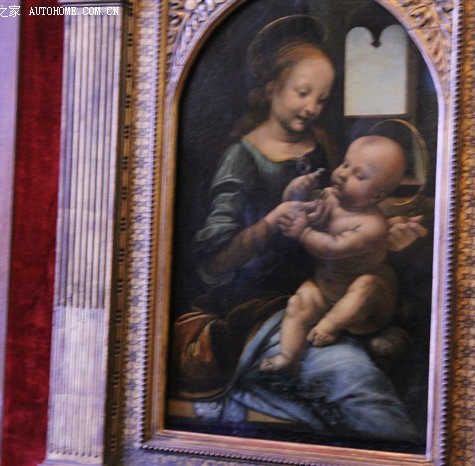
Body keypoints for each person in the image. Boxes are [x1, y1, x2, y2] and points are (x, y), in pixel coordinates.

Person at [173, 15, 427, 444]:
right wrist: (272, 221)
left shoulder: (322, 144)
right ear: (272, 87)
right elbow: (213, 260)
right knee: (355, 382)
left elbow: (352, 206)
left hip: (331, 289)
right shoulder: (241, 158)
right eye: (302, 92)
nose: (311, 107)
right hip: (261, 306)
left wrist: (387, 232)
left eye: (321, 99)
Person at [260, 135, 406, 373]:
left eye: (359, 175)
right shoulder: (329, 196)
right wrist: (296, 192)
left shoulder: (372, 225)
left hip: (366, 309)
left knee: (367, 285)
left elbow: (333, 248)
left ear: (377, 196)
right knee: (298, 304)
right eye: (345, 164)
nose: (343, 174)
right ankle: (287, 357)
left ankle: (331, 325)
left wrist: (303, 232)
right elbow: (301, 210)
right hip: (324, 289)